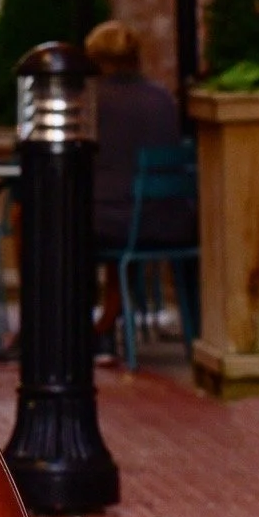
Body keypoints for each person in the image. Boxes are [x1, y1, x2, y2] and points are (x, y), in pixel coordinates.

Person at [86, 19, 195, 356]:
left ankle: (71, 328)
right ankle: (106, 324)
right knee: (114, 218)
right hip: (170, 221)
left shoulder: (94, 102)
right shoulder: (163, 99)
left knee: (50, 228)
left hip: (115, 223)